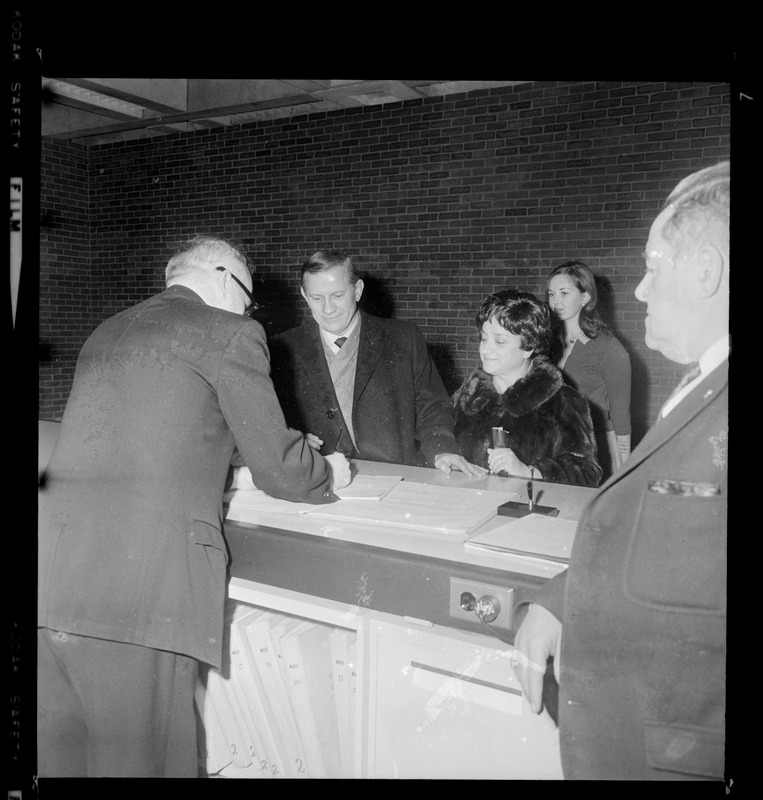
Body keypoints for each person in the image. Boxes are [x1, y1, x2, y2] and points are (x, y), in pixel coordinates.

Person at [37, 235, 351, 777]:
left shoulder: (108, 330)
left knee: (63, 761)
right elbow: (281, 473)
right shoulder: (229, 332)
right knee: (146, 764)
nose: (249, 311)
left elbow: (162, 426)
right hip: (139, 599)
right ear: (225, 279)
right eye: (248, 299)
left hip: (52, 585)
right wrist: (328, 470)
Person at [512, 162, 729, 780]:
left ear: (706, 270)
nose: (637, 290)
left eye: (654, 267)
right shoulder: (700, 381)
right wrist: (558, 601)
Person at [270, 249, 476, 471]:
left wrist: (441, 450)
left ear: (357, 290)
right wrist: (290, 437)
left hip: (392, 475)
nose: (328, 309)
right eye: (317, 298)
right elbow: (268, 418)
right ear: (304, 295)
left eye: (337, 295)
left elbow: (432, 406)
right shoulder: (282, 348)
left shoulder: (403, 338)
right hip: (317, 475)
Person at [435, 289, 603, 487]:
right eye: (483, 338)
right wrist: (443, 455)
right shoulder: (467, 394)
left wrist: (530, 472)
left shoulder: (562, 401)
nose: (486, 350)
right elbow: (436, 431)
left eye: (500, 341)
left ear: (529, 347)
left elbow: (588, 472)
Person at [547, 260, 632, 480]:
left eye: (564, 293)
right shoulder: (547, 344)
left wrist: (622, 469)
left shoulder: (610, 348)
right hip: (553, 444)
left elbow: (620, 415)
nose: (556, 301)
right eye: (551, 294)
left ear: (585, 298)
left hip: (595, 448)